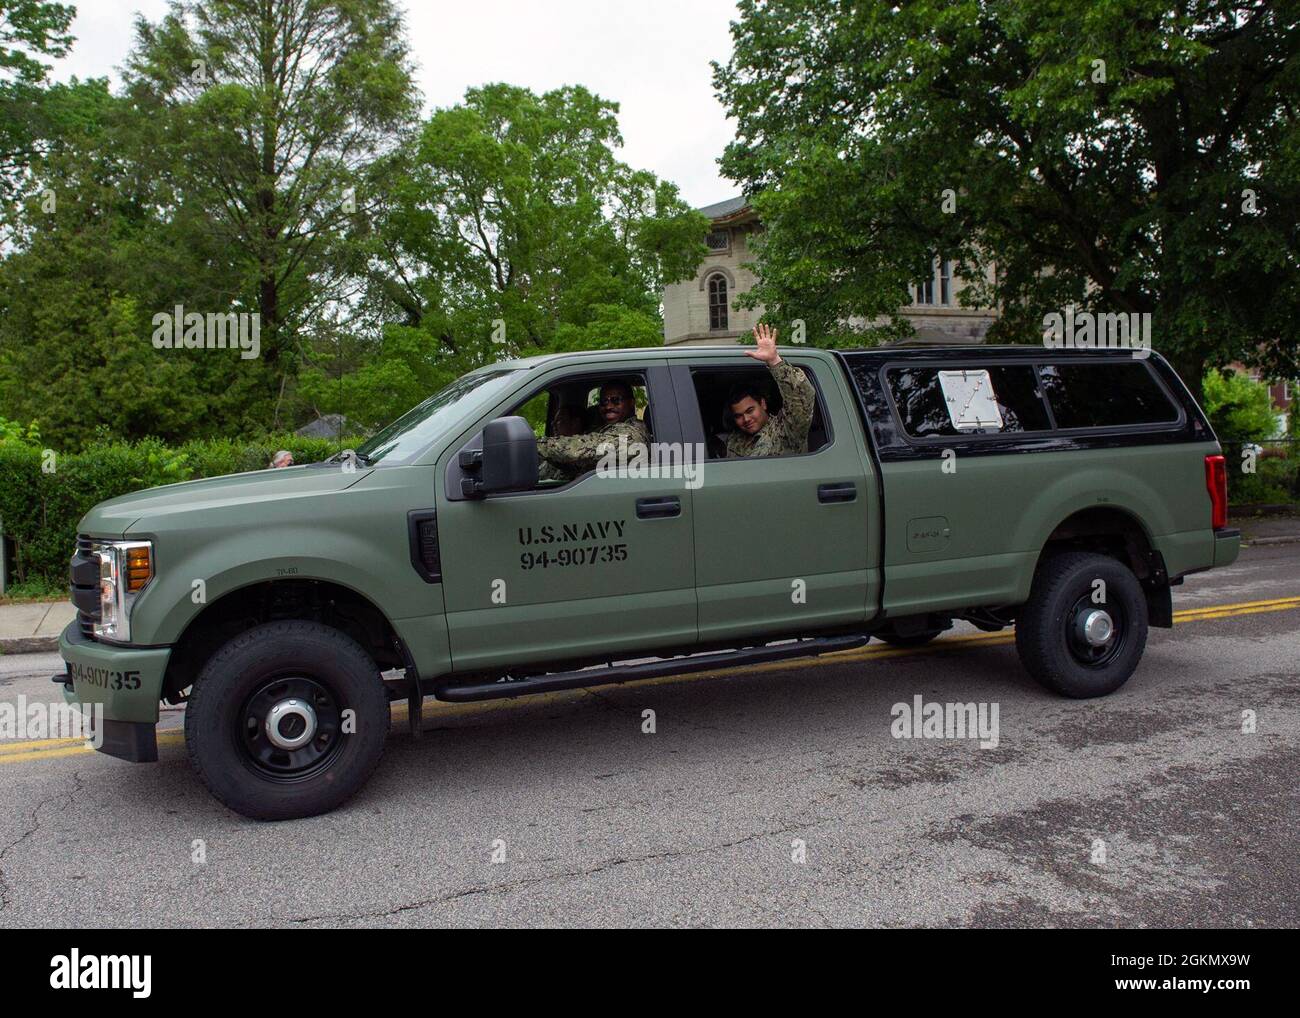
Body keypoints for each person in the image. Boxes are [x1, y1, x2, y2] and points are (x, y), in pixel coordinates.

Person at [724, 324, 815, 458]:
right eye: (738, 416)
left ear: (763, 404)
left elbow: (801, 398)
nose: (746, 419)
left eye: (750, 410)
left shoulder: (786, 429)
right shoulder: (735, 440)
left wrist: (774, 361)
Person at [536, 380, 649, 481]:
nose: (608, 406)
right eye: (603, 402)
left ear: (631, 403)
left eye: (616, 400)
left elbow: (585, 448)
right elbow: (576, 465)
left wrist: (535, 445)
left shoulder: (633, 433)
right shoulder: (604, 430)